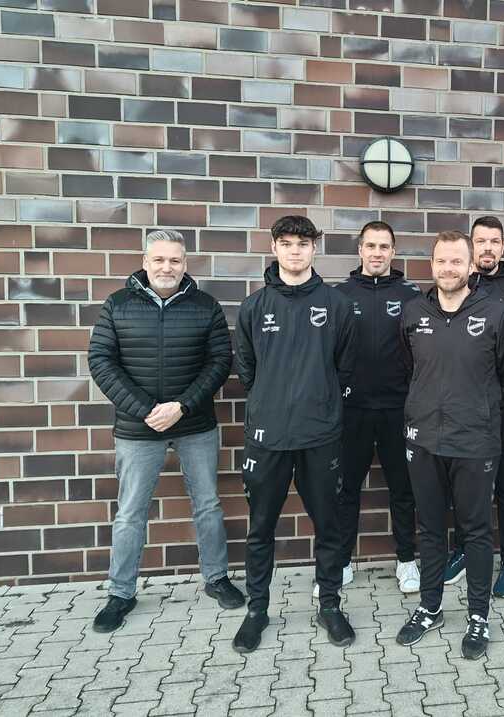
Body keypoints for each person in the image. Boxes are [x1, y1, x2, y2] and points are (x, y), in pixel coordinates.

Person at [88, 229, 243, 633]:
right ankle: (120, 593)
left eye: (175, 260)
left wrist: (182, 405)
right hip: (137, 429)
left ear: (185, 264)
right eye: (159, 260)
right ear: (145, 261)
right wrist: (146, 410)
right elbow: (101, 361)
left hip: (194, 423)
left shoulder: (205, 306)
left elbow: (219, 361)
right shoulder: (117, 305)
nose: (166, 267)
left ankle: (217, 578)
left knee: (207, 503)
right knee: (130, 513)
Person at [396, 230, 504, 659]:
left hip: (475, 442)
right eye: (441, 261)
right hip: (424, 439)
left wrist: (481, 416)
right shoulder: (414, 312)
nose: (448, 269)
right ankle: (430, 607)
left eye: (456, 262)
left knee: (475, 531)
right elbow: (408, 368)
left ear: (471, 267)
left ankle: (478, 617)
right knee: (430, 528)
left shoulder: (496, 313)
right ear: (431, 265)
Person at [232, 215, 356, 653]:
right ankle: (256, 610)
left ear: (314, 248)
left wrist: (320, 402)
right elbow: (247, 369)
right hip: (267, 437)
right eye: (286, 243)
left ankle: (330, 605)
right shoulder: (253, 307)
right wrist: (272, 398)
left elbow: (344, 364)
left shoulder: (337, 305)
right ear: (274, 248)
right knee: (261, 527)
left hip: (320, 435)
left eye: (303, 243)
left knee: (329, 525)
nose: (295, 250)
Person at [444, 216, 504, 600]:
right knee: (463, 484)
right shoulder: (456, 288)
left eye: (494, 241)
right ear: (470, 246)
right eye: (480, 241)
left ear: (502, 247)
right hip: (461, 410)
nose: (487, 248)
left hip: (503, 410)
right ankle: (465, 548)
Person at [331, 221, 421, 596]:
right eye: (371, 246)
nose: (377, 253)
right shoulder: (339, 295)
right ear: (360, 250)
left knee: (403, 488)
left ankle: (406, 560)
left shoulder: (412, 295)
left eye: (385, 246)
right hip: (353, 409)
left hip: (397, 408)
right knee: (347, 488)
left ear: (393, 252)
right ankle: (340, 562)